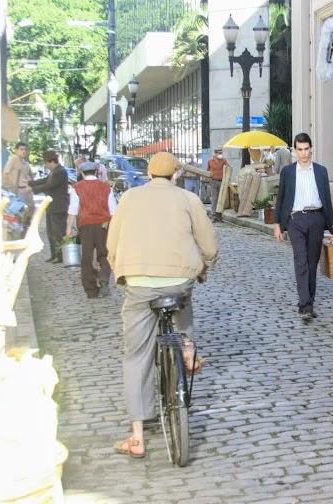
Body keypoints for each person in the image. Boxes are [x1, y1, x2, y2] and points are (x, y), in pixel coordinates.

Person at [106, 152, 218, 458]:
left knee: (136, 356)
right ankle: (186, 346)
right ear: (176, 175)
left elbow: (111, 243)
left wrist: (120, 269)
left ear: (148, 175)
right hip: (178, 280)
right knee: (182, 301)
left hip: (139, 283)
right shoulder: (188, 199)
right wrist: (205, 266)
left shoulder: (128, 199)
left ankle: (138, 437)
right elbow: (209, 244)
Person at [273, 133, 333, 321]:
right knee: (300, 261)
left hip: (316, 218)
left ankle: (310, 300)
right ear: (294, 151)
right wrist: (278, 224)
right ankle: (305, 305)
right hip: (295, 220)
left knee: (311, 263)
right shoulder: (288, 172)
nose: (304, 153)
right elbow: (281, 198)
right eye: (300, 150)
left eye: (306, 149)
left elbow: (327, 200)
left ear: (311, 148)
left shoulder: (321, 171)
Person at [67, 161, 117, 299]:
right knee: (104, 254)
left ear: (82, 173)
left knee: (87, 257)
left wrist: (68, 228)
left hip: (86, 225)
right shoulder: (106, 188)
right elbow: (113, 210)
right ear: (96, 172)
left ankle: (91, 289)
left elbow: (73, 210)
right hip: (104, 225)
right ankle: (104, 279)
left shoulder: (77, 188)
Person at [29, 150, 69, 263]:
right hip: (52, 206)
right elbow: (45, 180)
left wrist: (32, 189)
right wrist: (30, 183)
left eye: (46, 163)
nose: (45, 166)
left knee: (58, 232)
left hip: (59, 206)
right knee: (50, 232)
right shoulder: (54, 172)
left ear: (51, 161)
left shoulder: (60, 171)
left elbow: (48, 185)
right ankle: (54, 254)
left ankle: (60, 256)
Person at [2, 142, 35, 218]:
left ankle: (26, 224)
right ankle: (20, 227)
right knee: (18, 211)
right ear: (16, 150)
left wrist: (32, 184)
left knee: (32, 207)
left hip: (27, 189)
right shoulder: (13, 159)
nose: (24, 151)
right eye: (21, 149)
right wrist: (10, 186)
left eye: (25, 150)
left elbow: (31, 175)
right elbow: (6, 172)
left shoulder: (25, 163)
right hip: (17, 190)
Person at [206, 148, 229, 221]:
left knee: (221, 200)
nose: (220, 155)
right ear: (215, 154)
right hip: (213, 181)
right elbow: (207, 171)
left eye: (221, 153)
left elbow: (228, 169)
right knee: (214, 199)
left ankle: (219, 216)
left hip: (222, 182)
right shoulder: (210, 161)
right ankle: (213, 216)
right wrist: (208, 179)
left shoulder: (223, 161)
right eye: (219, 153)